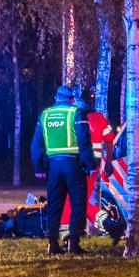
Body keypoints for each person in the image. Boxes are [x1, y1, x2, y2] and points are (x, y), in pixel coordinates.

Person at [31, 86, 95, 255]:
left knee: (54, 205)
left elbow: (36, 143)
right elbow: (84, 140)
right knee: (77, 203)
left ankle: (52, 244)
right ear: (71, 99)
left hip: (53, 166)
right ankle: (73, 245)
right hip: (73, 165)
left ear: (56, 98)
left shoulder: (45, 115)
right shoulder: (76, 113)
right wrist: (89, 164)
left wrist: (38, 167)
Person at [59, 89, 116, 230]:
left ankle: (67, 228)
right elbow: (109, 140)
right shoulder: (97, 118)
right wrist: (108, 162)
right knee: (78, 198)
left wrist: (109, 162)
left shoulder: (74, 117)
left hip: (78, 164)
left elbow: (109, 140)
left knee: (71, 197)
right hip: (91, 165)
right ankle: (103, 222)